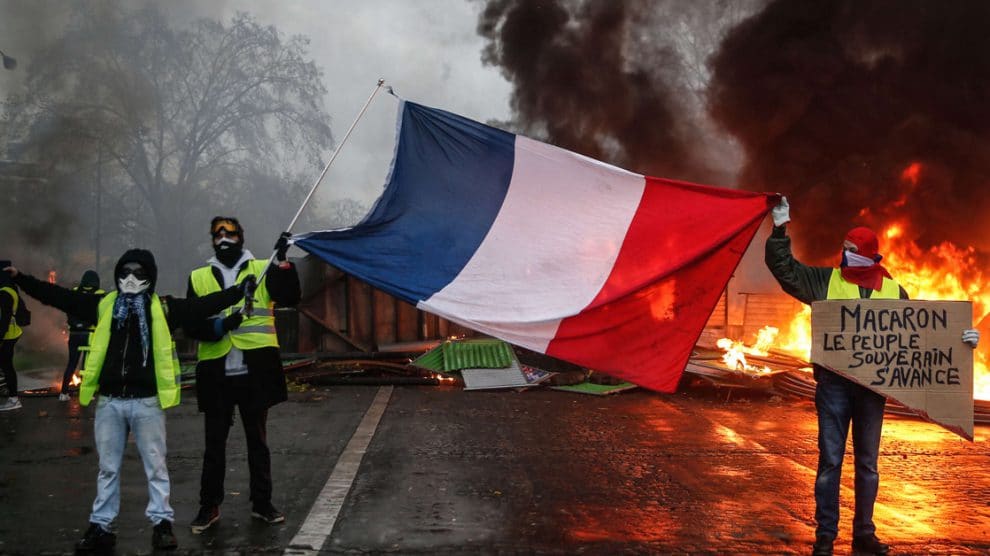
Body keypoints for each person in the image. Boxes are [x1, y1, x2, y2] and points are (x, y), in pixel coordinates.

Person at [765, 197, 980, 556]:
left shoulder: (895, 292)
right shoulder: (825, 280)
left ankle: (864, 533)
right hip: (833, 385)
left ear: (869, 254)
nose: (845, 255)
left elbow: (922, 339)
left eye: (852, 250)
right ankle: (825, 536)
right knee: (830, 460)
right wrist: (779, 229)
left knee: (867, 463)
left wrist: (962, 341)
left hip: (872, 389)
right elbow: (786, 269)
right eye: (843, 249)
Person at [4, 249, 248, 553]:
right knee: (107, 468)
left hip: (146, 403)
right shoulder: (104, 305)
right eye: (125, 273)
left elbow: (201, 306)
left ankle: (162, 525)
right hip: (110, 402)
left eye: (139, 273)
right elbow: (58, 296)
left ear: (150, 277)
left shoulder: (163, 308)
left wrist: (238, 291)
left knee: (155, 467)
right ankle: (101, 526)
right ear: (118, 275)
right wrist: (21, 279)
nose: (131, 279)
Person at [185, 217, 300, 533]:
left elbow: (290, 297)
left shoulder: (262, 268)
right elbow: (191, 323)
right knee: (214, 446)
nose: (223, 237)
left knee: (258, 442)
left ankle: (262, 503)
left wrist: (282, 262)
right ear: (211, 239)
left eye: (230, 232)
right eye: (217, 233)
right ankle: (209, 506)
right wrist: (220, 326)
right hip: (217, 372)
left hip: (254, 371)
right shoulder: (198, 277)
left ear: (240, 236)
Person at [60, 270, 103, 401]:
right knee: (87, 365)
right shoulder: (100, 294)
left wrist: (77, 324)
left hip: (74, 334)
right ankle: (85, 393)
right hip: (90, 334)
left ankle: (63, 393)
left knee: (72, 363)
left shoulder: (74, 292)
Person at [0, 268, 24, 411]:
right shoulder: (9, 290)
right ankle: (12, 396)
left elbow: (5, 318)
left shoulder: (5, 292)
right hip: (10, 333)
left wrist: (0, 337)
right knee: (6, 365)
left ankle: (13, 399)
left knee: (7, 366)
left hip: (8, 334)